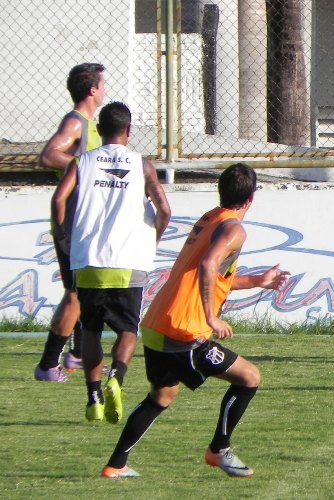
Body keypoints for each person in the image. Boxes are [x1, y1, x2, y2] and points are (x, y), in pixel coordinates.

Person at [100, 163, 290, 478]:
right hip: (184, 330)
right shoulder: (234, 229)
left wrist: (257, 280)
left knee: (162, 396)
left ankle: (115, 465)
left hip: (158, 323)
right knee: (250, 377)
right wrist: (211, 317)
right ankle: (219, 450)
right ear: (252, 198)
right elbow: (207, 265)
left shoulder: (211, 218)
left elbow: (213, 274)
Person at [52, 101, 171, 422]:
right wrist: (152, 241)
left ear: (99, 131)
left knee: (90, 330)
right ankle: (116, 377)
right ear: (129, 132)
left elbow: (59, 199)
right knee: (128, 330)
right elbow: (165, 210)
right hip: (130, 260)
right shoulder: (142, 165)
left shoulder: (81, 162)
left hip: (89, 259)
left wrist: (62, 235)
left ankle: (93, 396)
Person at [35, 62, 106, 382]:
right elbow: (49, 155)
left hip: (85, 224)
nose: (105, 89)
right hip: (71, 224)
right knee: (76, 294)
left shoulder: (91, 125)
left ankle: (78, 355)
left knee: (88, 291)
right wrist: (86, 169)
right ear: (92, 90)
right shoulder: (76, 122)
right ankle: (48, 365)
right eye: (103, 84)